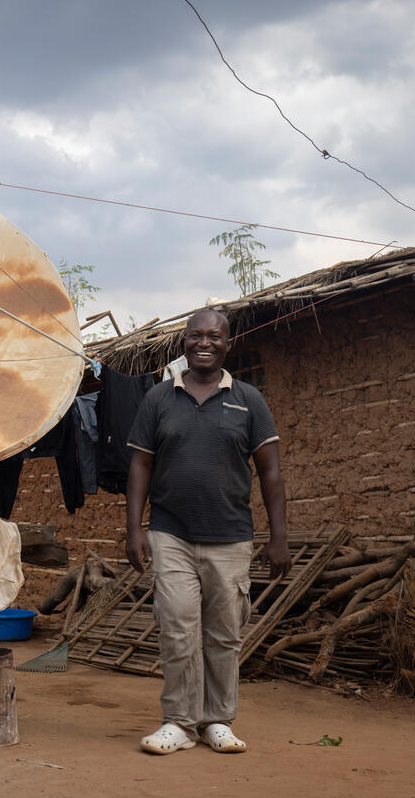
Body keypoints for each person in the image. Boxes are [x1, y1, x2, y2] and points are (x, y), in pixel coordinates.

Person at [124, 309, 288, 755]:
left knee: (223, 634)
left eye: (214, 336)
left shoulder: (249, 400)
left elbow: (270, 473)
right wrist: (133, 528)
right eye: (196, 335)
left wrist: (279, 537)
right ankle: (179, 722)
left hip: (231, 536)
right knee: (177, 628)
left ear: (228, 344)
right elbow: (140, 465)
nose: (204, 343)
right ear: (185, 342)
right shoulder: (158, 399)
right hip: (170, 533)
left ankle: (217, 720)